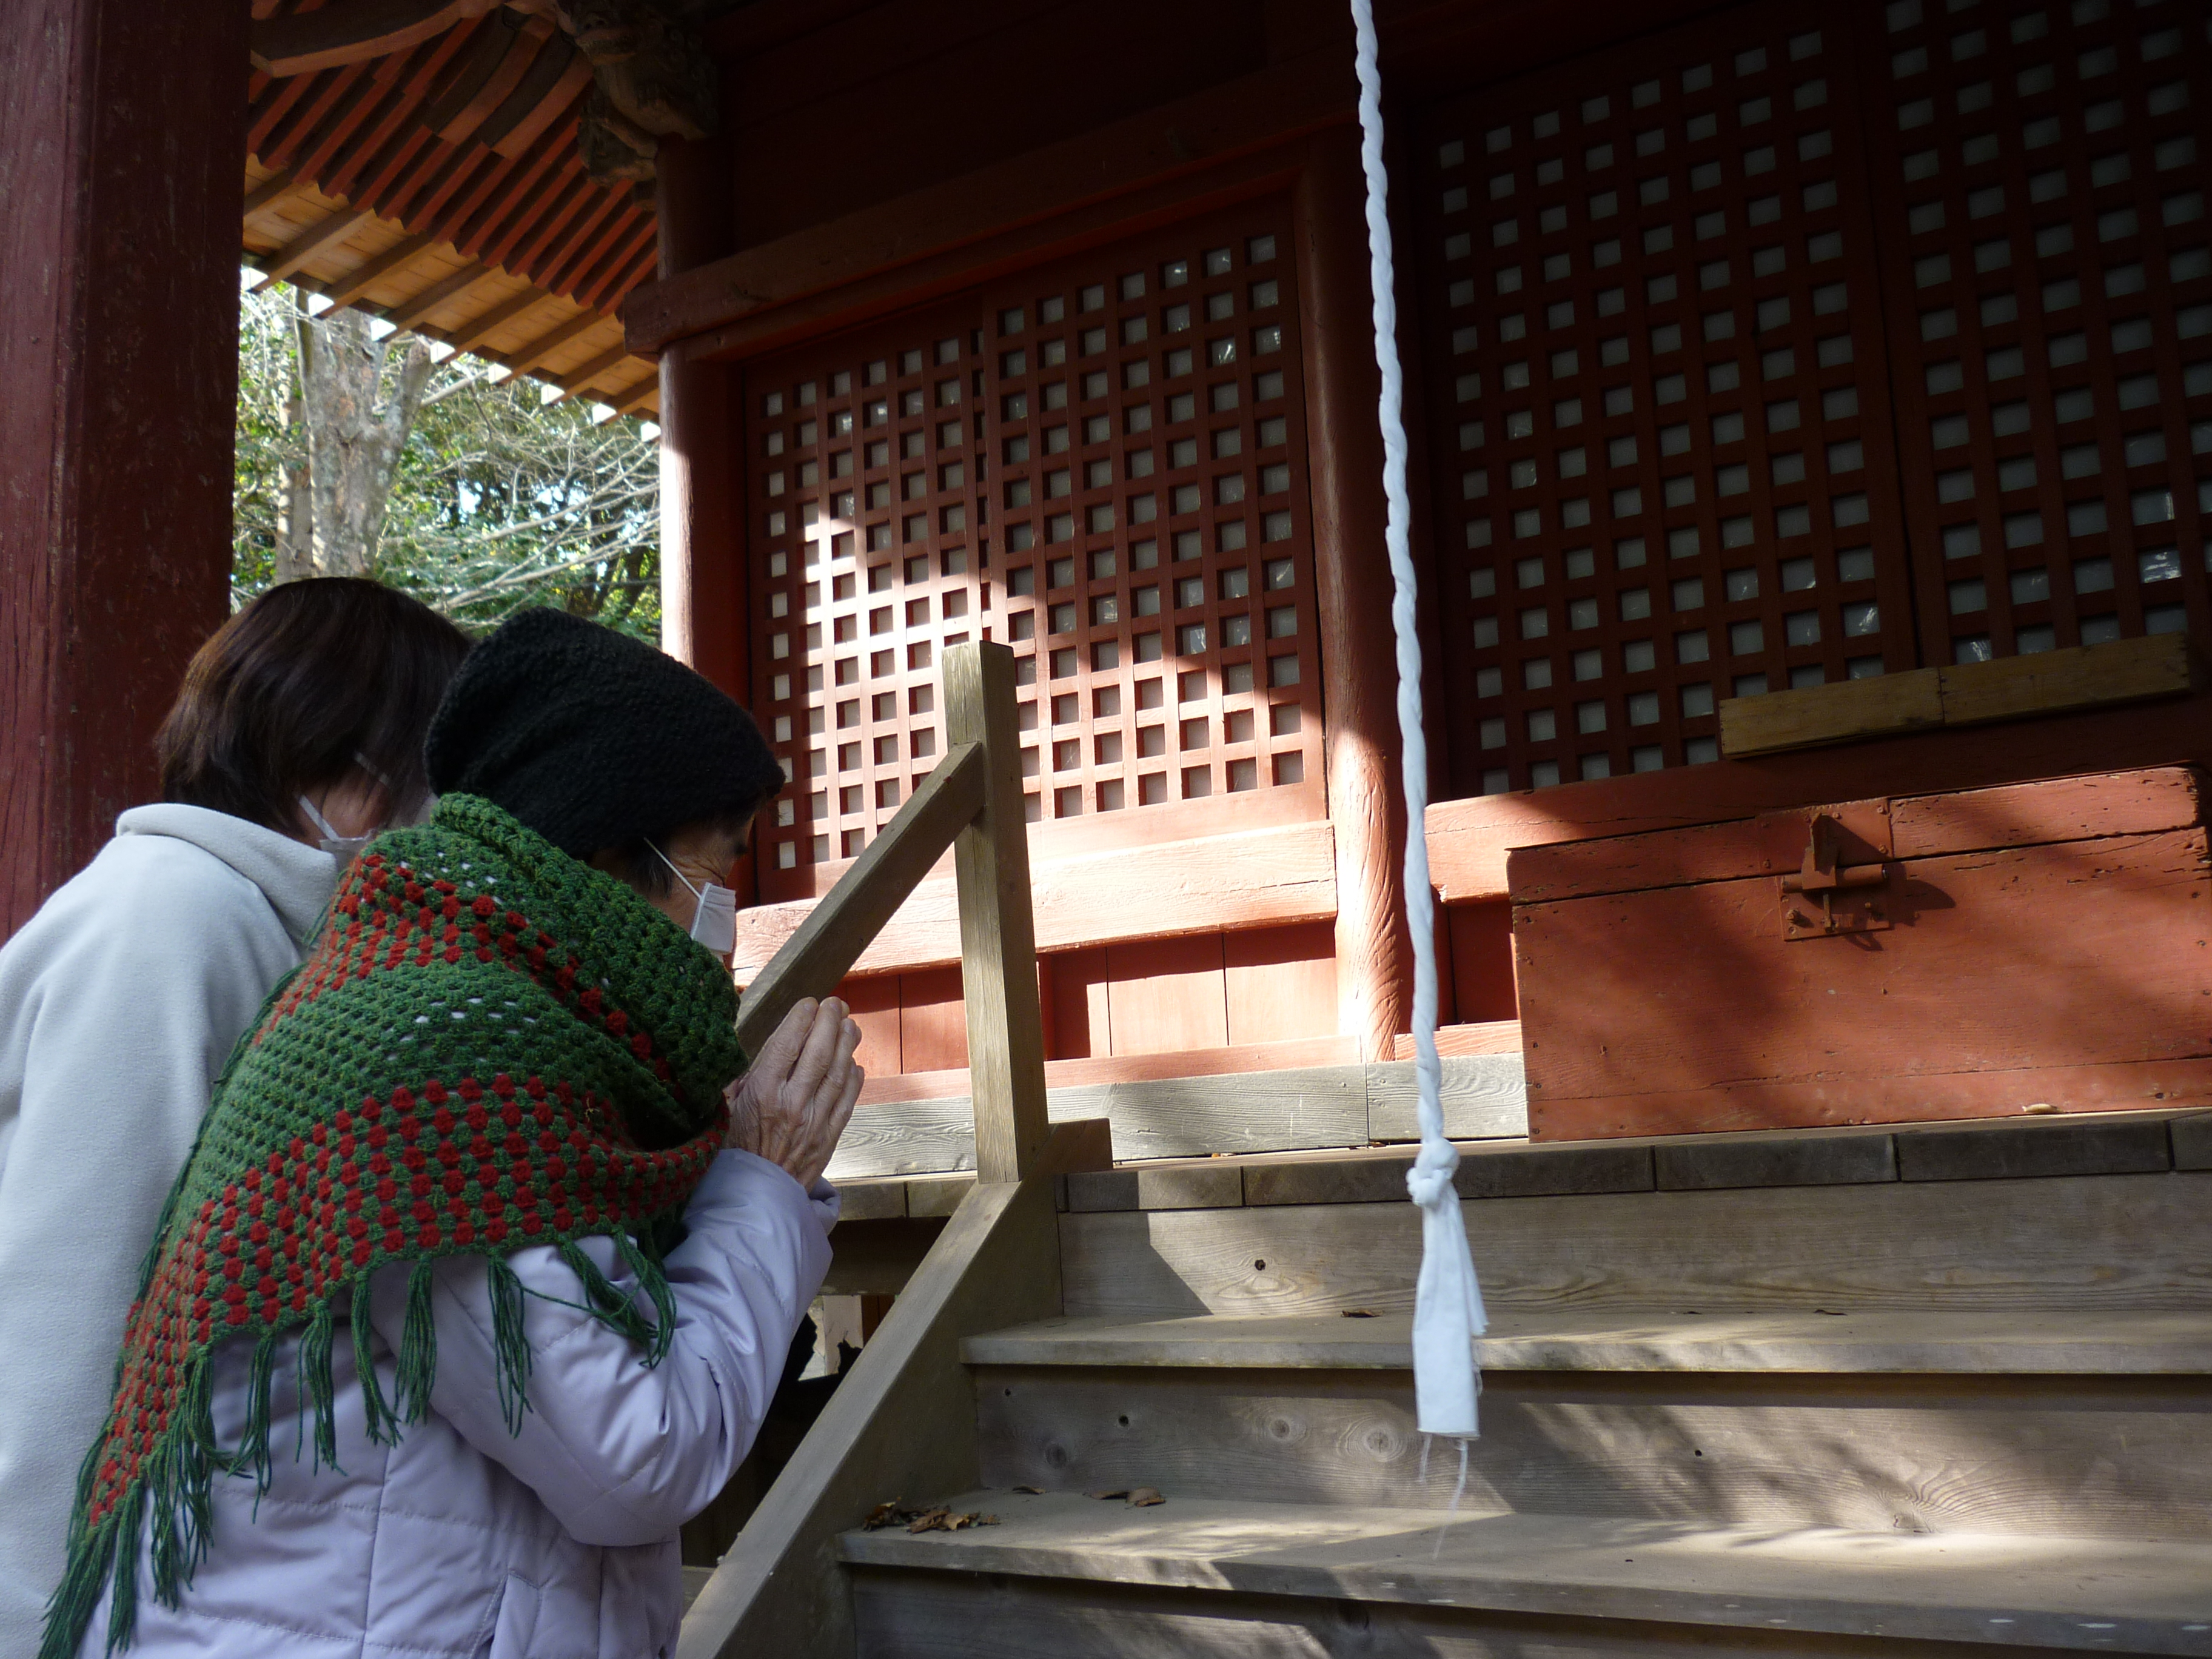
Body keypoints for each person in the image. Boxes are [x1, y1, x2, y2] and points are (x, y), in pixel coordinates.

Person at [45, 608, 865, 1659]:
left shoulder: (503, 1021)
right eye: (717, 872)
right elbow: (635, 1455)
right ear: (612, 845)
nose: (725, 928)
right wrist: (760, 1181)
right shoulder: (438, 1066)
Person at [0, 578, 472, 1657]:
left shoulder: (263, 925)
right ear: (355, 765)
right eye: (432, 777)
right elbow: (66, 1324)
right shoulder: (174, 920)